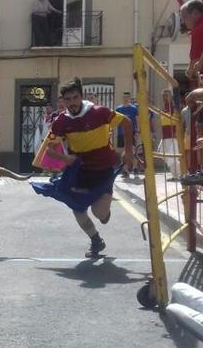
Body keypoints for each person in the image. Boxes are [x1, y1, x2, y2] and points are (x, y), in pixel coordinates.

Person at [32, 77, 134, 257]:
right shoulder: (61, 122)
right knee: (77, 208)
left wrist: (128, 152)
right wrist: (64, 159)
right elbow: (49, 149)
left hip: (103, 170)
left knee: (99, 213)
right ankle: (96, 241)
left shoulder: (99, 112)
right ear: (63, 101)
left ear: (81, 96)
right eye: (68, 99)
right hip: (81, 171)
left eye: (75, 97)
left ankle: (104, 211)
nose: (72, 103)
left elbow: (126, 122)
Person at [181, 0, 203, 82]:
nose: (184, 22)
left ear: (195, 13)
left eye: (184, 17)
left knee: (192, 95)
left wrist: (189, 73)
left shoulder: (199, 30)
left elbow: (196, 61)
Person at [114, 91, 139, 177]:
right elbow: (115, 121)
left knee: (132, 151)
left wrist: (137, 131)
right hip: (121, 133)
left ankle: (135, 168)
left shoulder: (134, 109)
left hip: (131, 132)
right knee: (122, 152)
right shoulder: (118, 109)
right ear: (122, 98)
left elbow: (137, 120)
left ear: (129, 98)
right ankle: (125, 170)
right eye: (124, 97)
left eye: (127, 97)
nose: (126, 99)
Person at [159, 88, 181, 179]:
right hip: (166, 135)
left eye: (166, 95)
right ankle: (175, 175)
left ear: (170, 97)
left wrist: (176, 132)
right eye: (163, 96)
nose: (164, 97)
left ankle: (178, 175)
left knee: (173, 156)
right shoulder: (165, 107)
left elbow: (176, 121)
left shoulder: (173, 107)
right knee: (166, 154)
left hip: (172, 134)